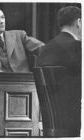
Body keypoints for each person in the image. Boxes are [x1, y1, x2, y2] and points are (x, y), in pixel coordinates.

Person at [36, 6, 81, 136]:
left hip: (51, 124)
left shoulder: (44, 49)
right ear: (79, 22)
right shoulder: (78, 47)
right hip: (76, 122)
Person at [0, 6, 44, 72]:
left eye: (3, 17)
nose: (2, 21)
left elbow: (42, 49)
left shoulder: (20, 36)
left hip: (22, 81)